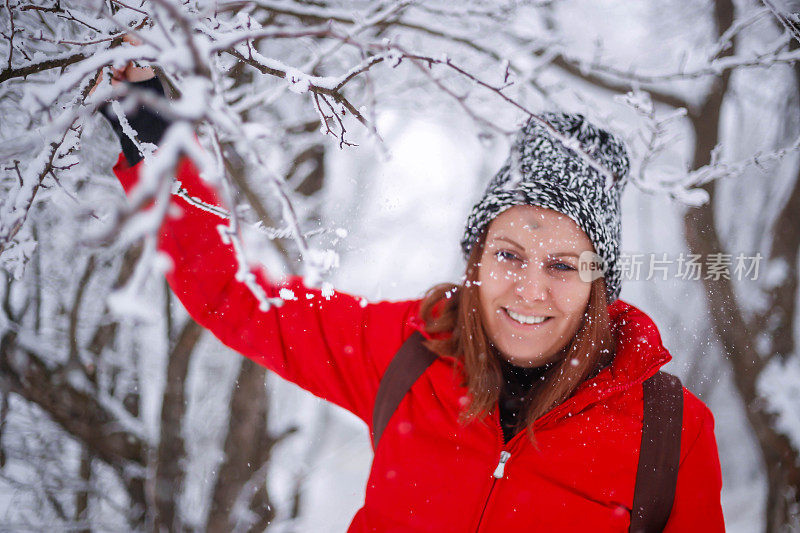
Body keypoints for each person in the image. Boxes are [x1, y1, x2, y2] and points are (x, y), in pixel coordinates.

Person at [97, 61, 725, 532]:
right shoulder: (410, 352)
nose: (531, 290)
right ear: (476, 257)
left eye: (563, 265)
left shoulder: (670, 431)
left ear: (599, 285)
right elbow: (234, 296)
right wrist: (149, 122)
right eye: (508, 254)